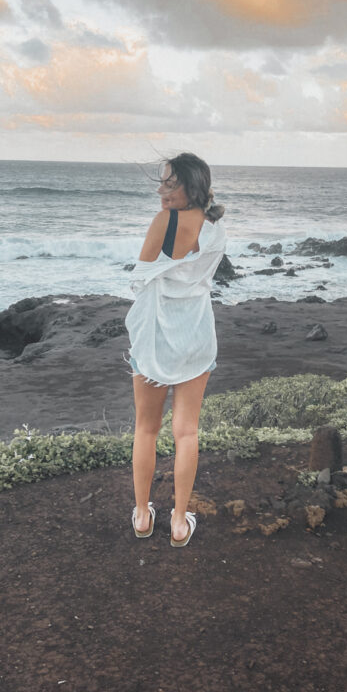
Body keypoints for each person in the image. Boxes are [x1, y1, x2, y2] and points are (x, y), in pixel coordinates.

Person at [124, 153, 226, 547]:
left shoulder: (164, 222)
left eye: (170, 183)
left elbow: (141, 277)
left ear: (191, 186)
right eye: (162, 182)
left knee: (146, 429)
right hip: (197, 335)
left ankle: (142, 515)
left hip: (155, 337)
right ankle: (180, 522)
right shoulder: (215, 228)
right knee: (186, 433)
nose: (161, 190)